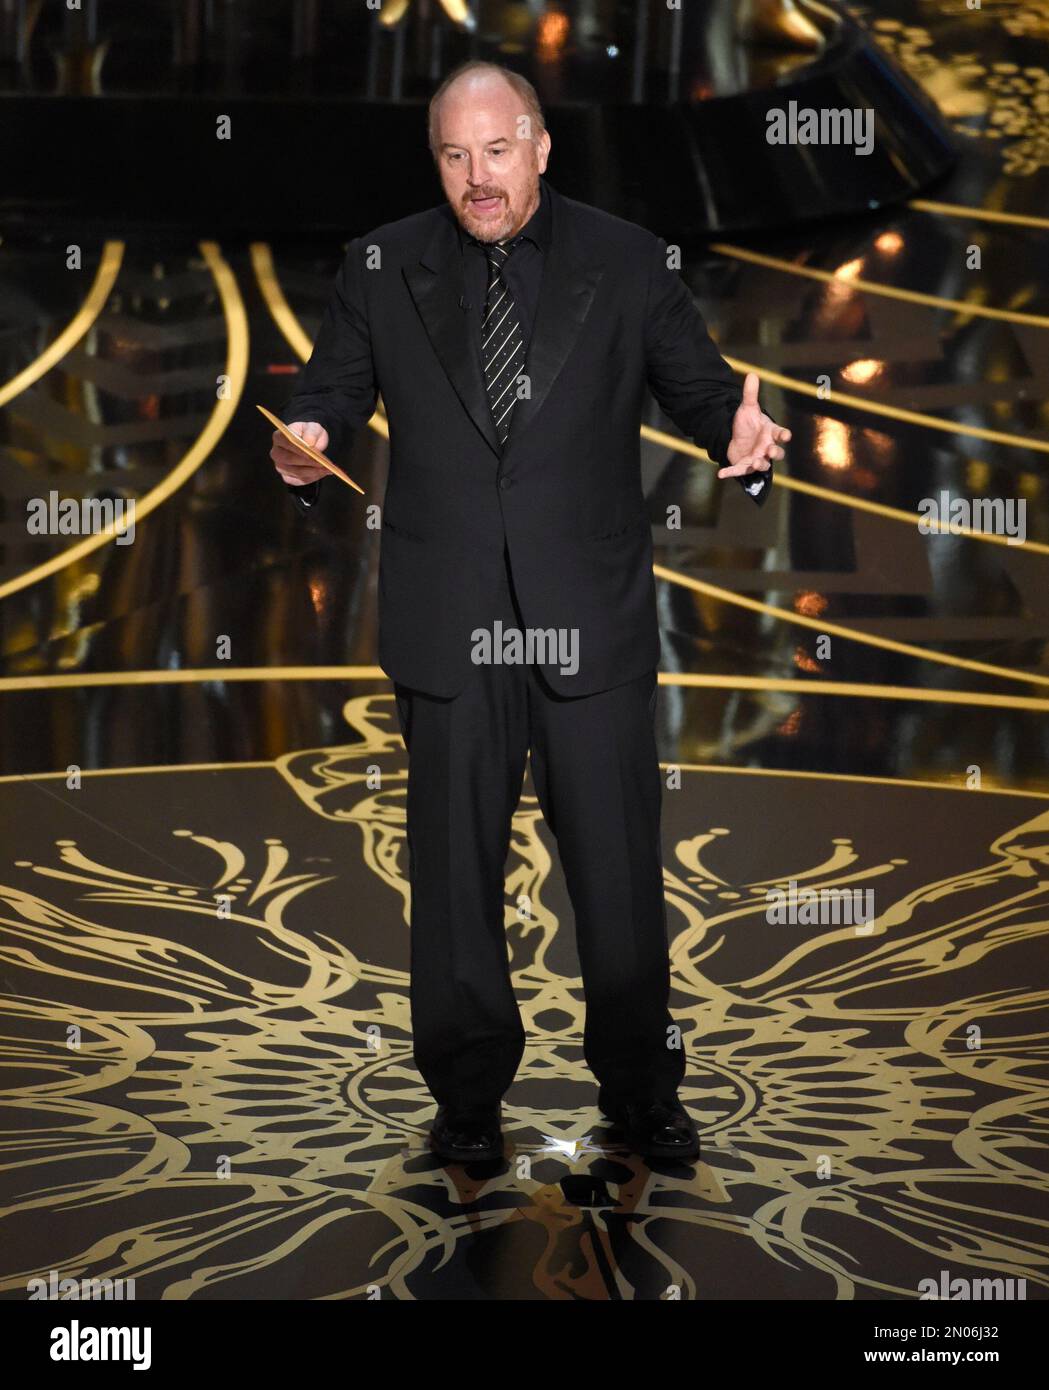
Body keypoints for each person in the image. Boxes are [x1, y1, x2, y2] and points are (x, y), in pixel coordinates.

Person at [271, 60, 789, 1164]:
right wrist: (306, 440)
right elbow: (328, 388)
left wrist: (737, 446)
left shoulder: (626, 258)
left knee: (614, 867)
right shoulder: (380, 263)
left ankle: (640, 1090)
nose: (477, 179)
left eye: (496, 151)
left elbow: (698, 391)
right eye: (453, 157)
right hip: (447, 616)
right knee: (453, 878)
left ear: (540, 147)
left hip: (585, 617)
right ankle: (465, 1101)